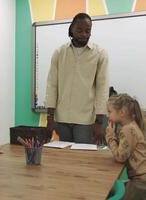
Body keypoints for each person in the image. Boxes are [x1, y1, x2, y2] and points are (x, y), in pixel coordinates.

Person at [45, 12, 109, 144]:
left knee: (84, 160)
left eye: (88, 31)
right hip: (62, 118)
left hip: (86, 120)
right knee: (65, 161)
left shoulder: (100, 53)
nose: (84, 34)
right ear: (71, 29)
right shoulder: (59, 52)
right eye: (79, 30)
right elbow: (52, 85)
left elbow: (102, 88)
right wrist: (50, 118)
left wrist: (99, 122)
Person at [106, 94, 146, 199]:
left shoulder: (128, 130)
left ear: (122, 112)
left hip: (145, 186)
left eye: (110, 112)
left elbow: (120, 157)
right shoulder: (132, 125)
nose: (107, 115)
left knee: (110, 193)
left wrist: (110, 137)